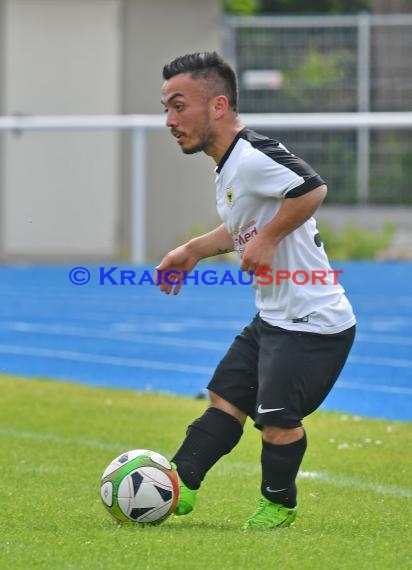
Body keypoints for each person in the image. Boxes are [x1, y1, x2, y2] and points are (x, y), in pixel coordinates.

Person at [156, 51, 356, 530]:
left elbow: (311, 188)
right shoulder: (228, 166)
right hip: (274, 318)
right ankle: (176, 486)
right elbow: (241, 228)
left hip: (313, 323)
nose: (170, 120)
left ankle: (278, 504)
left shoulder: (251, 154)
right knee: (225, 398)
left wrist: (269, 239)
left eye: (179, 106)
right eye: (166, 108)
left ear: (218, 105)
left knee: (276, 419)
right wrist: (191, 250)